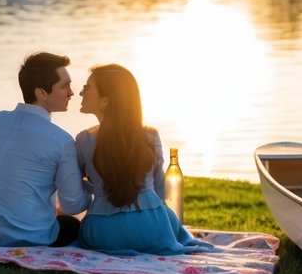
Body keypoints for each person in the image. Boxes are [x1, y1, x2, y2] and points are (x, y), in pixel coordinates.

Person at [76, 63, 211, 255]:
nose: (81, 93)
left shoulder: (84, 140)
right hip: (153, 229)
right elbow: (159, 189)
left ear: (105, 101)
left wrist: (96, 188)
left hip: (103, 232)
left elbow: (75, 186)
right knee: (170, 218)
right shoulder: (150, 136)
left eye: (87, 87)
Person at [0, 51, 89, 246]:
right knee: (72, 224)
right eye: (64, 86)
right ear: (40, 93)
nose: (71, 92)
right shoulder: (61, 141)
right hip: (30, 238)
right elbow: (72, 204)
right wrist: (89, 184)